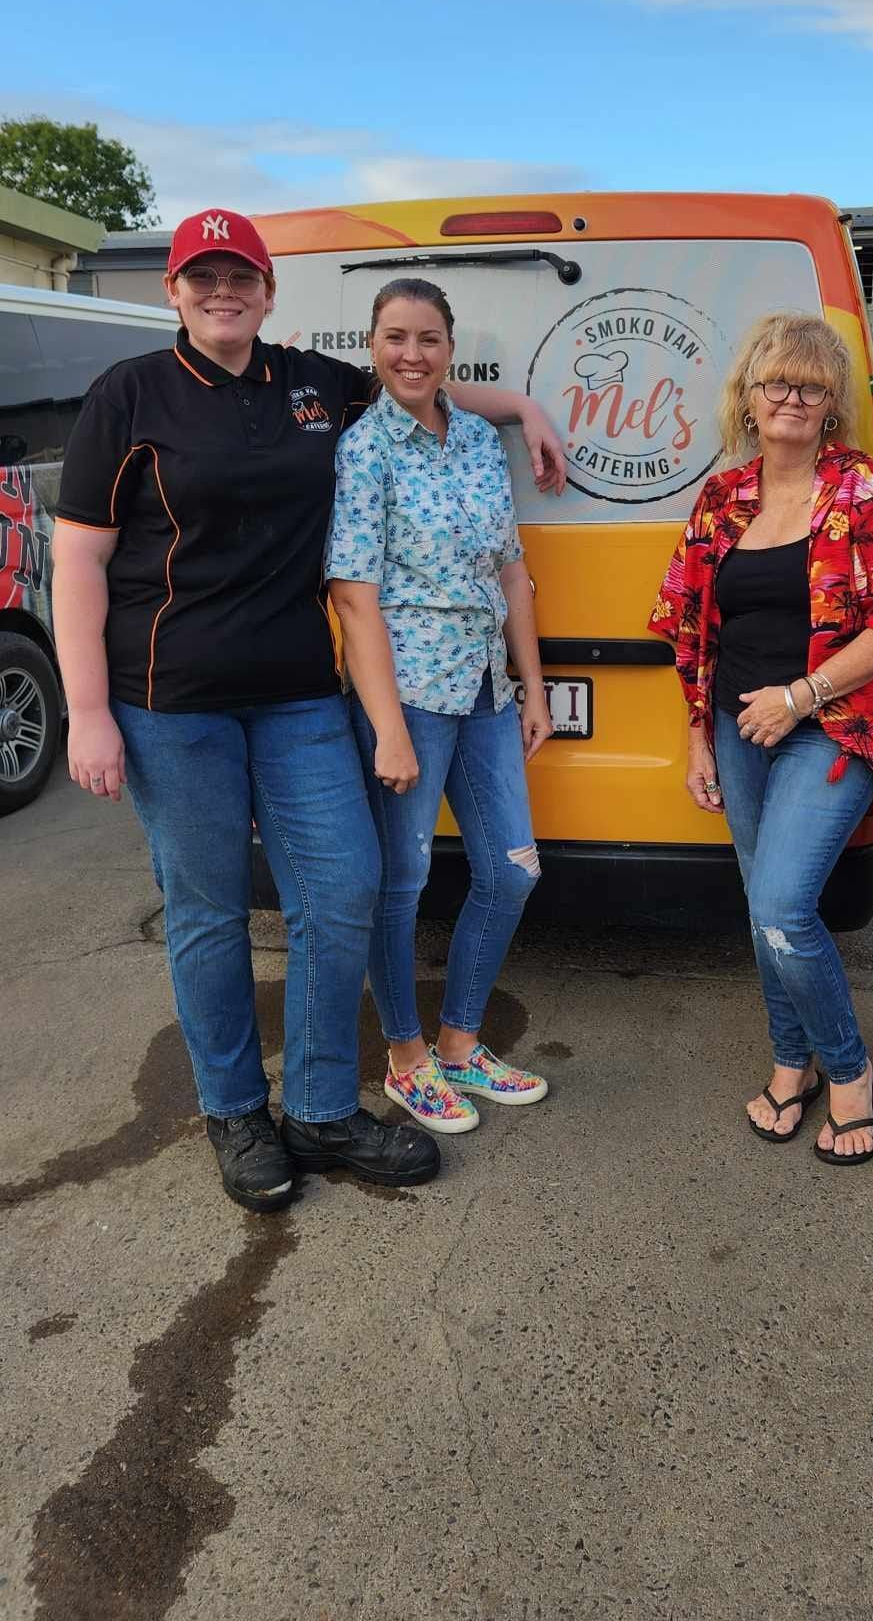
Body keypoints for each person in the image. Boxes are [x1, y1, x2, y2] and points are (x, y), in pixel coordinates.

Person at [51, 209, 565, 1212]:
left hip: (296, 694)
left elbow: (420, 387)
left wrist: (525, 410)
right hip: (170, 699)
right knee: (206, 910)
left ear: (269, 289)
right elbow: (79, 557)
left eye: (239, 274)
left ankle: (324, 1108)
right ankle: (238, 1110)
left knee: (344, 887)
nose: (222, 290)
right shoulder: (129, 395)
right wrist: (85, 711)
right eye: (202, 276)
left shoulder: (309, 382)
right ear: (173, 289)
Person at [649, 312, 873, 1164]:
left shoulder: (866, 493)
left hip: (834, 728)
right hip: (739, 730)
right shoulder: (722, 497)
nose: (793, 398)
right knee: (762, 908)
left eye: (810, 385)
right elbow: (692, 627)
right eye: (778, 381)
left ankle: (849, 1075)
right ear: (750, 394)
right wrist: (701, 737)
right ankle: (790, 1061)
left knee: (781, 906)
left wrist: (801, 695)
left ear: (832, 400)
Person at [326, 278, 553, 1134]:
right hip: (409, 696)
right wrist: (386, 728)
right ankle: (406, 1058)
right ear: (373, 347)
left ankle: (461, 1044)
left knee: (512, 870)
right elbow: (354, 594)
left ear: (450, 348)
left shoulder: (474, 441)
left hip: (488, 690)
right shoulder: (365, 450)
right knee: (403, 880)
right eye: (395, 338)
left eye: (427, 338)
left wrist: (530, 685)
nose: (411, 354)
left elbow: (510, 571)